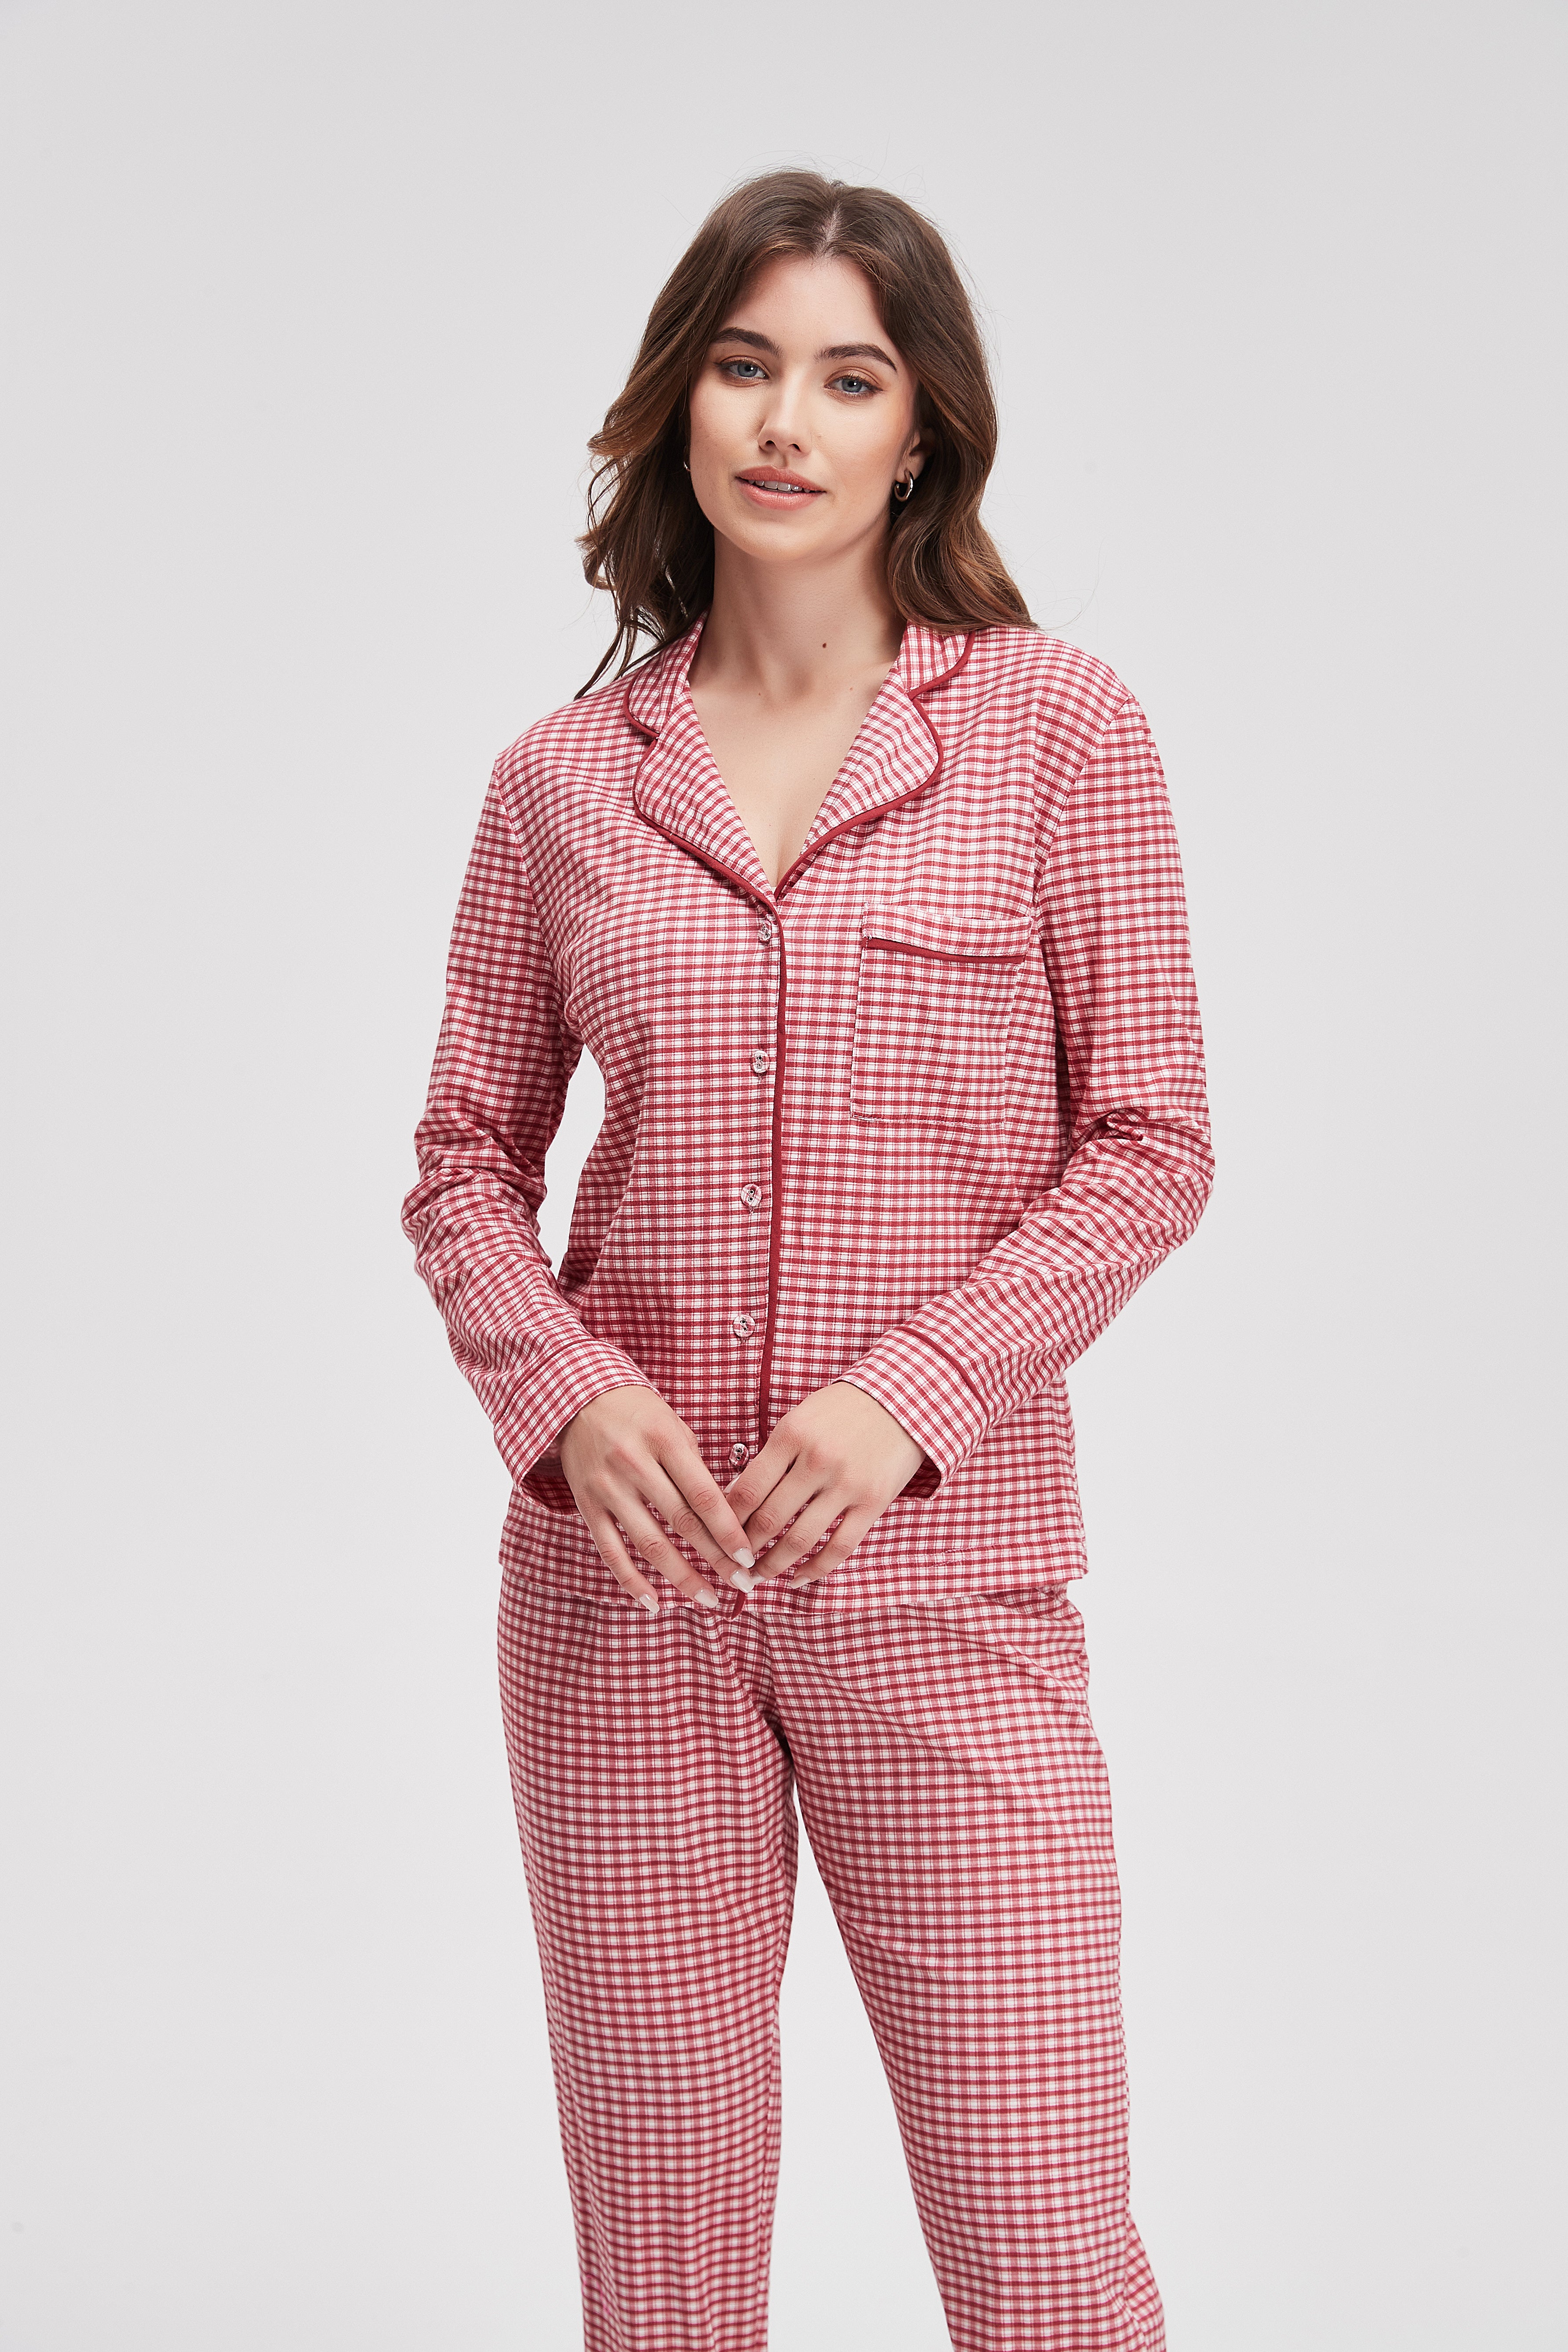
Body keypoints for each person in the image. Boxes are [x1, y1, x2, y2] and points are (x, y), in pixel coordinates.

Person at [401, 167, 1214, 2352]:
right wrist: (566, 1398)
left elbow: (1149, 1143)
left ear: (919, 432)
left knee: (1042, 2253)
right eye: (746, 367)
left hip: (945, 1596)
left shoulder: (1056, 731)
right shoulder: (560, 783)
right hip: (622, 1606)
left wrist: (902, 1400)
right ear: (680, 403)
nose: (786, 422)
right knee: (662, 2275)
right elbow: (464, 1161)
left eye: (848, 379)